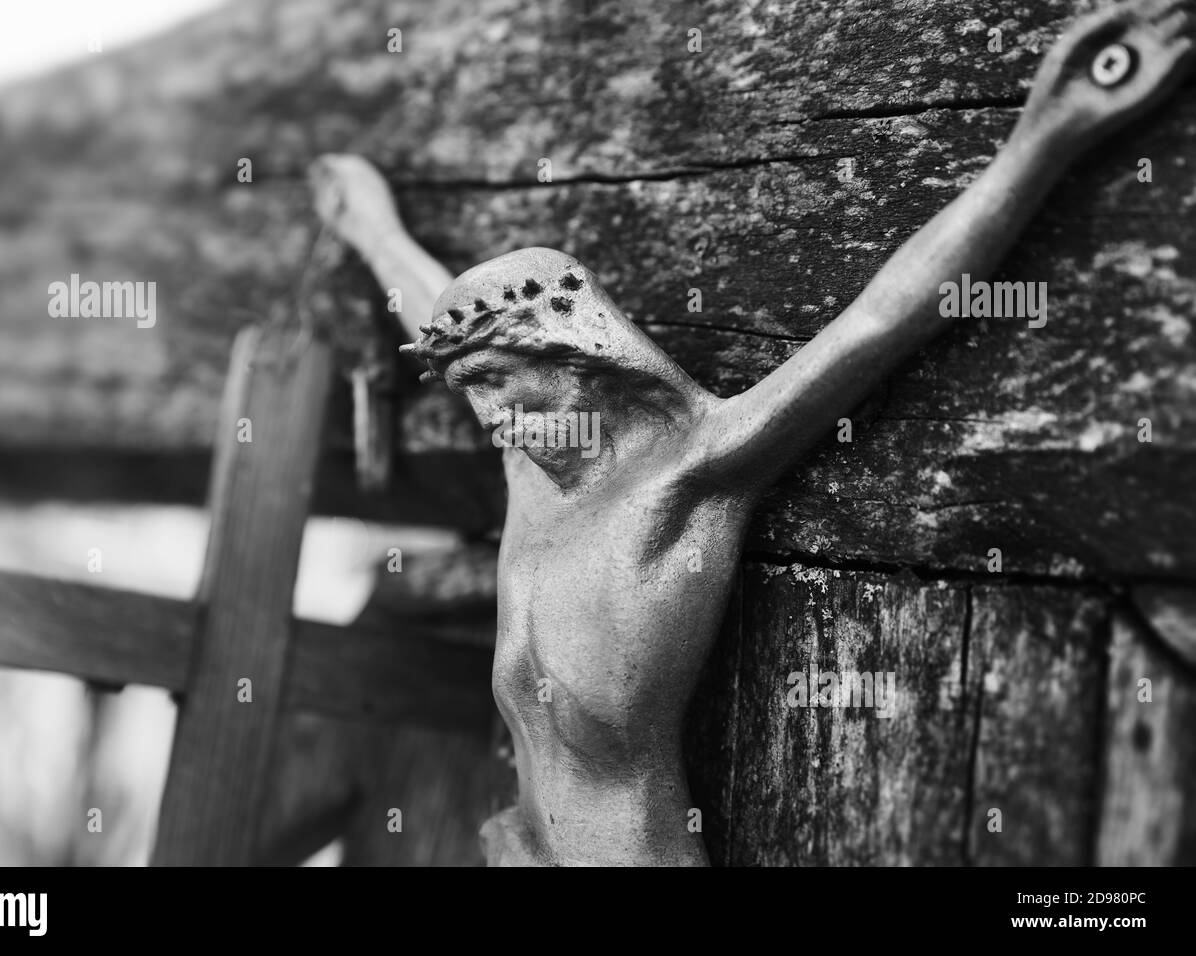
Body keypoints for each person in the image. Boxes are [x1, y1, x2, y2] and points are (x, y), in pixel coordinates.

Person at [310, 0, 1194, 865]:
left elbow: (882, 321)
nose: (490, 415)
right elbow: (436, 306)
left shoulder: (688, 476)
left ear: (574, 357)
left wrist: (1050, 134)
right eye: (471, 392)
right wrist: (368, 225)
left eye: (499, 384)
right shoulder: (532, 473)